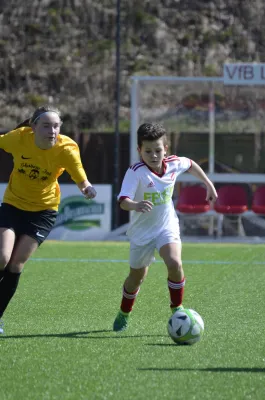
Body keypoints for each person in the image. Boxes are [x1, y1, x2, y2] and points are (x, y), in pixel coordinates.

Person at [0, 105, 97, 334]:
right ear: (33, 127)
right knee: (2, 258)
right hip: (13, 205)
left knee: (15, 265)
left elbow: (80, 176)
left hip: (43, 212)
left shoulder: (66, 148)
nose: (52, 131)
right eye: (46, 125)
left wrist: (87, 188)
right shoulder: (18, 139)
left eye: (56, 126)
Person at [113, 122, 218, 332]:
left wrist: (208, 183)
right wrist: (136, 205)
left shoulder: (173, 164)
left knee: (174, 262)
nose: (153, 155)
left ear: (166, 149)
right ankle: (124, 312)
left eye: (158, 150)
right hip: (142, 232)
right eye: (148, 151)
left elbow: (190, 164)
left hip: (166, 225)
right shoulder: (135, 172)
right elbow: (122, 200)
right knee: (136, 278)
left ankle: (177, 308)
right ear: (139, 151)